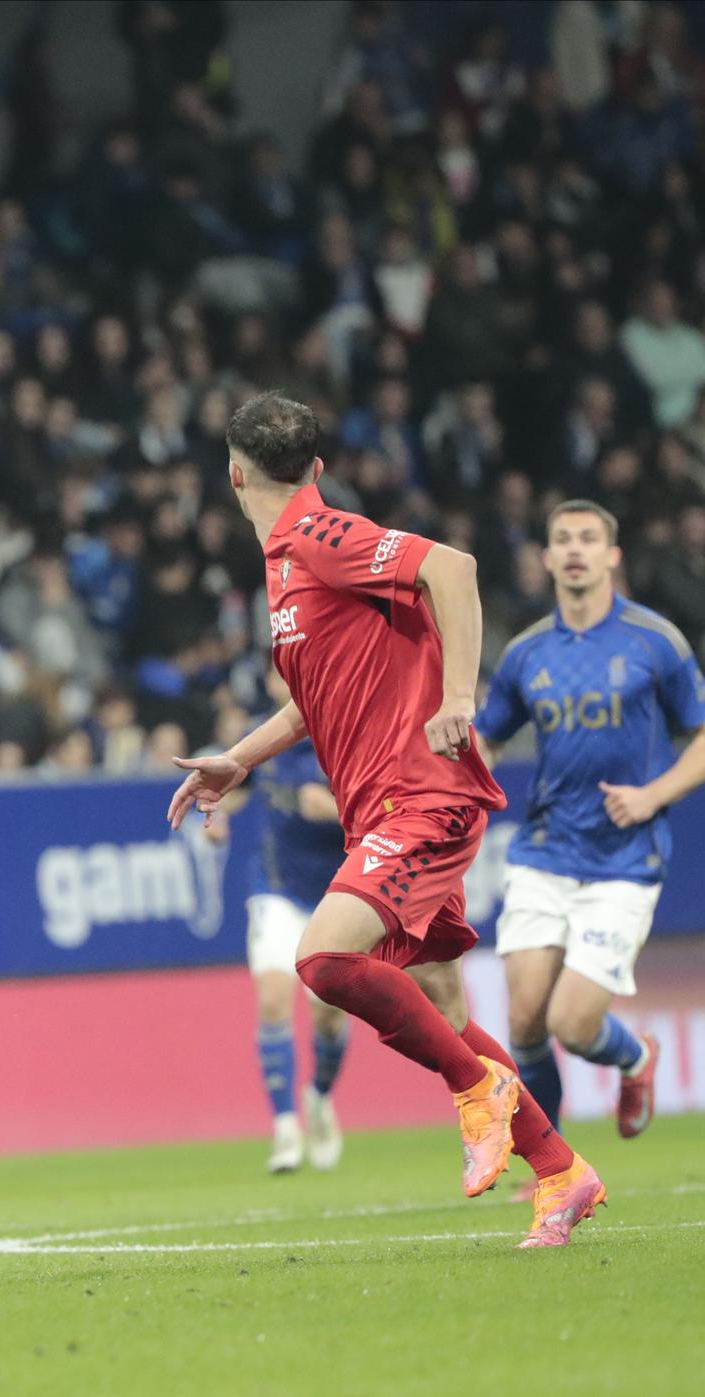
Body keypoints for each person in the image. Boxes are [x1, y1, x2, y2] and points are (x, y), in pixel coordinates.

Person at [168, 391, 604, 1248]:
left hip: (422, 793)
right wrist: (239, 758)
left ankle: (476, 1089)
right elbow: (309, 700)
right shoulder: (287, 566)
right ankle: (560, 1173)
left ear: (232, 475)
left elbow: (456, 567)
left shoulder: (319, 537)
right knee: (435, 999)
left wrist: (459, 696)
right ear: (316, 465)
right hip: (382, 803)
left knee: (323, 957)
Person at [475, 499, 705, 1144]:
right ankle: (554, 1167)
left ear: (612, 555)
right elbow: (487, 739)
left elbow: (701, 734)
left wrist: (653, 794)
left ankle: (635, 1057)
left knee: (573, 1025)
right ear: (547, 558)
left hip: (624, 860)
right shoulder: (527, 654)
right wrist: (460, 757)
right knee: (523, 1021)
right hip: (545, 851)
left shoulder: (653, 641)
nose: (575, 549)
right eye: (562, 539)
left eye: (588, 538)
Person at [220, 671, 351, 1173]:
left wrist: (335, 809)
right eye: (277, 672)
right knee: (273, 999)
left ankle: (319, 1097)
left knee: (328, 1016)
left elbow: (379, 808)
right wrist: (217, 815)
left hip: (335, 892)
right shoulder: (263, 736)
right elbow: (234, 787)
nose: (286, 680)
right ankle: (284, 1128)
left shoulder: (343, 732)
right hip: (275, 885)